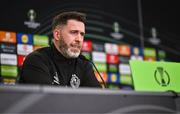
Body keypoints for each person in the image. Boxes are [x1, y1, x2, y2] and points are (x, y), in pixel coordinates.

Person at [19, 11, 101, 88]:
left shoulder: (84, 64)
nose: (79, 39)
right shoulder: (37, 60)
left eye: (82, 34)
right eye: (73, 32)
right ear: (57, 34)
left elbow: (98, 99)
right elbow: (46, 100)